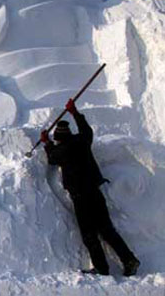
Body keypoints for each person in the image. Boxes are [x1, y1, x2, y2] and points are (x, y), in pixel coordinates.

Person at [40, 99, 140, 276]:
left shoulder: (62, 150)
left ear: (59, 139)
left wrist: (46, 143)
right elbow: (87, 130)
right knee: (107, 231)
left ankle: (102, 268)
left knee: (89, 235)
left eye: (56, 139)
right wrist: (74, 112)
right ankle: (129, 260)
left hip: (81, 198)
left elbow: (52, 158)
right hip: (95, 193)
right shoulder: (82, 141)